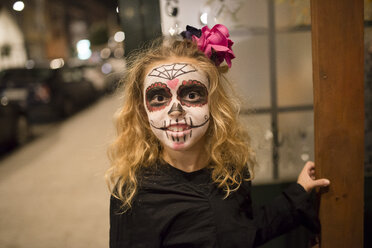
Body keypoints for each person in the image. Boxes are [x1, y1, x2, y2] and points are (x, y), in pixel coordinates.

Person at [106, 24, 330, 248]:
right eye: (158, 98)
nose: (175, 110)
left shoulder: (231, 173)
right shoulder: (133, 195)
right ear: (143, 113)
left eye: (192, 94)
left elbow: (246, 232)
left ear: (213, 105)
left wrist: (299, 192)